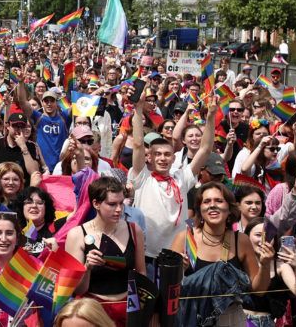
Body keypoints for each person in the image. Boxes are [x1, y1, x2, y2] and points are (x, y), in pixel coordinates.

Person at [128, 95, 217, 269]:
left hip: (176, 255)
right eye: (158, 154)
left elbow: (205, 149)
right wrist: (138, 110)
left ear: (173, 157)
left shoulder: (181, 178)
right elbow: (138, 144)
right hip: (145, 255)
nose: (162, 158)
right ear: (150, 157)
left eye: (167, 154)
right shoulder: (142, 177)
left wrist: (211, 116)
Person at [171, 182, 270, 327]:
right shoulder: (186, 238)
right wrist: (179, 271)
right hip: (192, 317)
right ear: (200, 209)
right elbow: (168, 288)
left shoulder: (240, 240)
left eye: (219, 200)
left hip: (229, 319)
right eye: (206, 201)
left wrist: (265, 264)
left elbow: (259, 291)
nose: (212, 205)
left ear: (229, 208)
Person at [65, 177, 146, 327]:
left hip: (127, 308)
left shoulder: (134, 230)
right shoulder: (77, 234)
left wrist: (142, 308)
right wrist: (87, 267)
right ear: (96, 203)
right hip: (92, 311)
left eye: (121, 203)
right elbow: (76, 289)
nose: (119, 209)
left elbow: (141, 274)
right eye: (112, 204)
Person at [240, 216, 296, 326]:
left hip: (267, 322)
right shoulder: (239, 261)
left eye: (268, 236)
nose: (263, 240)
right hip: (241, 320)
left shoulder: (280, 265)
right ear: (247, 237)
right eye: (258, 235)